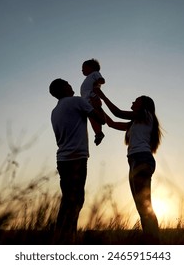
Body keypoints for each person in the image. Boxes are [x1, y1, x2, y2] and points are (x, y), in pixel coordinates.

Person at [95, 88, 162, 243]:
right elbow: (111, 123)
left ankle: (154, 243)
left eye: (136, 101)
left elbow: (118, 113)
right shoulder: (135, 122)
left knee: (145, 205)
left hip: (141, 160)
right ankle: (151, 240)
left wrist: (102, 96)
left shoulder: (146, 115)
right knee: (141, 206)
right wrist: (98, 107)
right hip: (134, 161)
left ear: (143, 105)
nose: (132, 102)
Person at [49, 78, 105, 244]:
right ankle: (67, 239)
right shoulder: (76, 102)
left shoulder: (55, 110)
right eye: (67, 83)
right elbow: (100, 119)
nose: (70, 85)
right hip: (76, 159)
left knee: (67, 199)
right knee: (76, 200)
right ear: (62, 89)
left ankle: (62, 237)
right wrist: (97, 104)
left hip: (63, 159)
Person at [81, 59, 106, 145]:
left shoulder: (94, 74)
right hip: (87, 101)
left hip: (92, 98)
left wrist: (96, 83)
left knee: (95, 116)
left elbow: (102, 80)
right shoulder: (88, 77)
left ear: (92, 68)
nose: (82, 70)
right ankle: (98, 133)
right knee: (92, 118)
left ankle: (99, 132)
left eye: (84, 68)